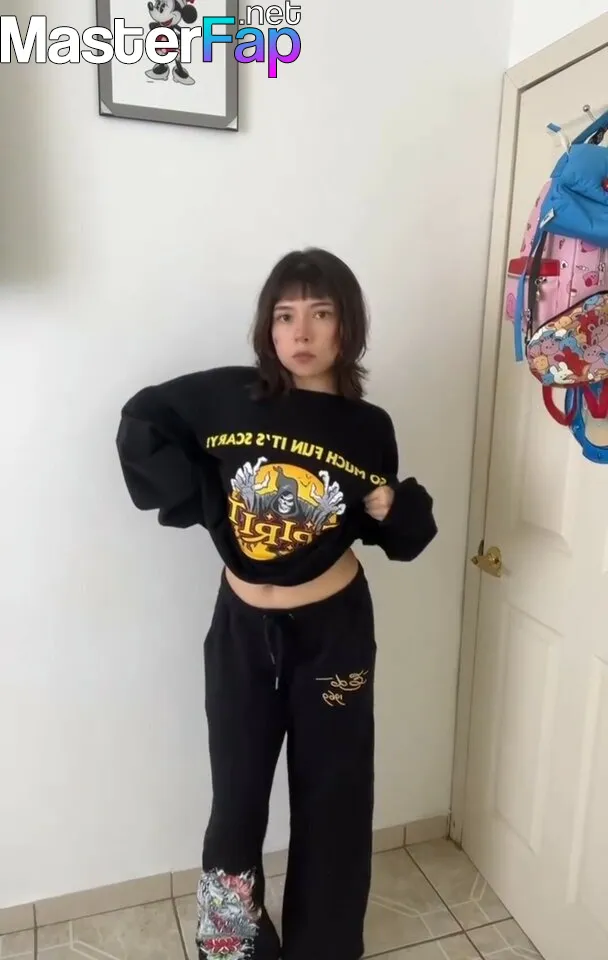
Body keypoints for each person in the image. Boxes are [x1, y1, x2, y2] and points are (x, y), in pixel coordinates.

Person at [115, 247, 437, 960]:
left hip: (334, 633)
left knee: (334, 798)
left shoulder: (368, 426)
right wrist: (204, 501)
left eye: (320, 314)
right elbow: (144, 420)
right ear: (267, 327)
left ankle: (327, 948)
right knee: (235, 800)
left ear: (347, 327)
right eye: (285, 316)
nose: (302, 332)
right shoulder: (228, 396)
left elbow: (397, 535)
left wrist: (391, 505)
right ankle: (233, 947)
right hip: (241, 631)